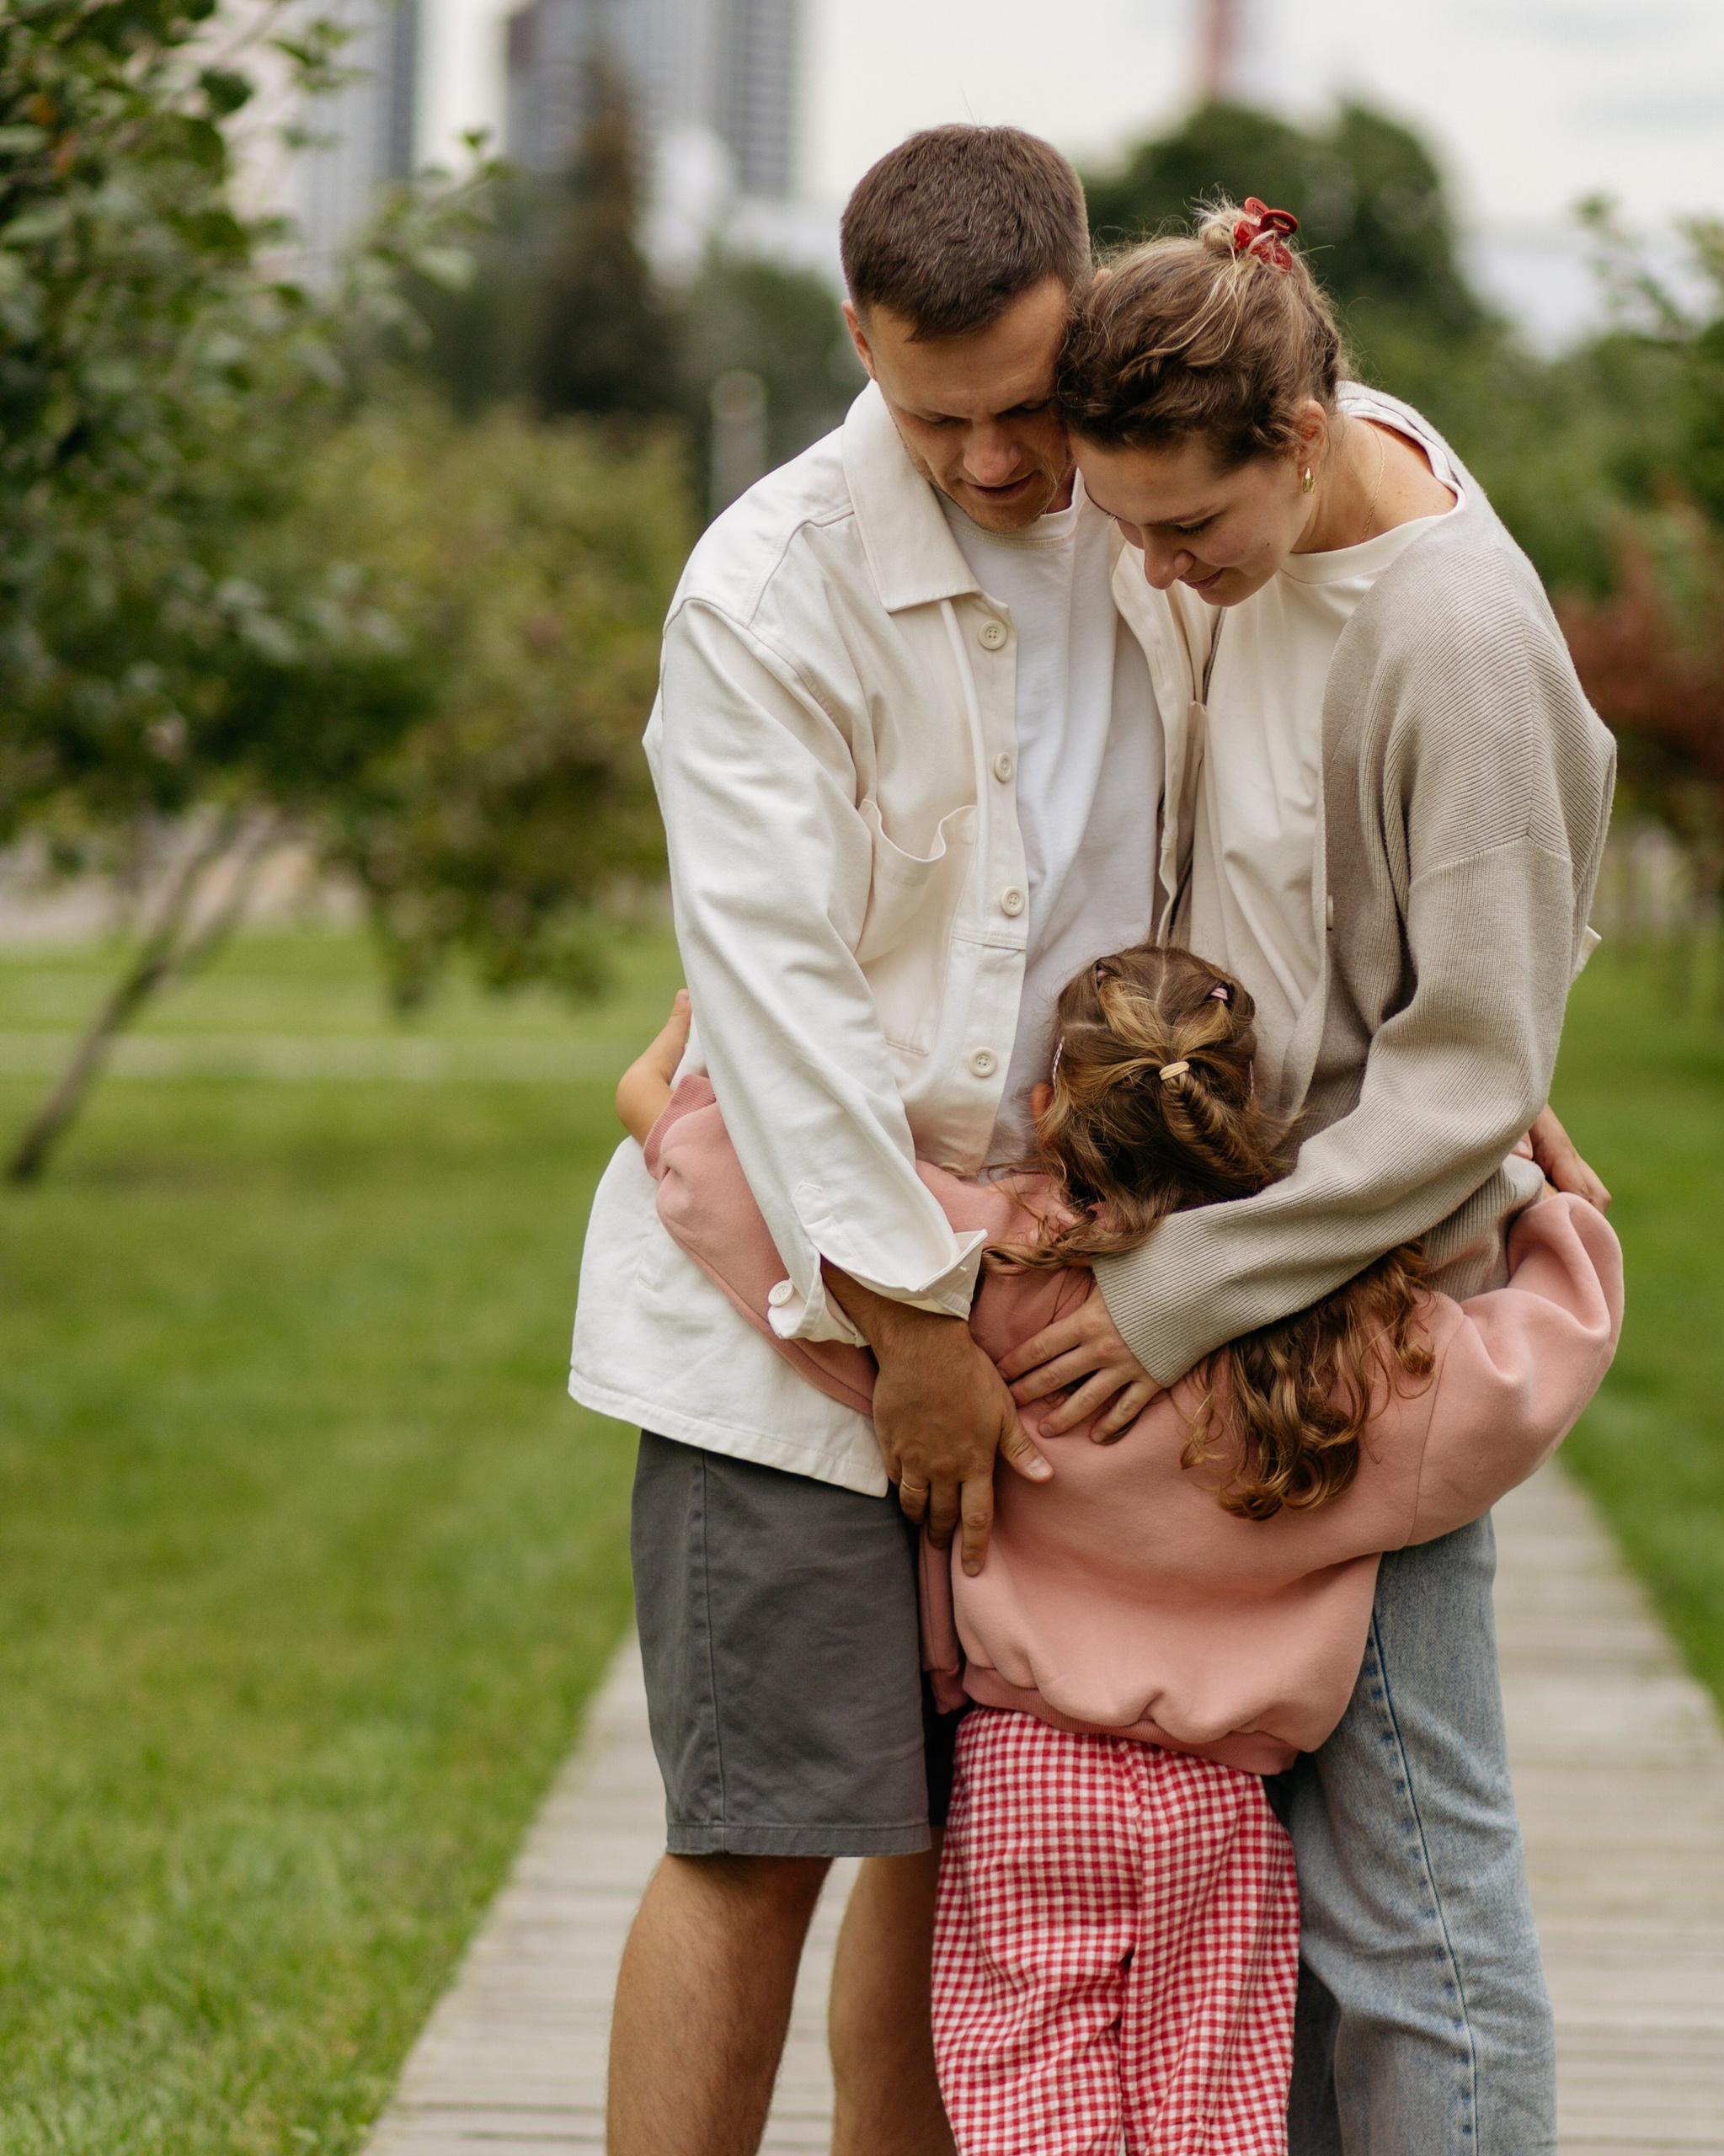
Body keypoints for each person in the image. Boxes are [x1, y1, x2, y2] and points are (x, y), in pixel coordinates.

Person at [568, 127, 1199, 2156]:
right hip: (792, 1319)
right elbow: (772, 1006)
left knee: (955, 1851)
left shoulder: (1161, 516)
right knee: (762, 1833)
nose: (1001, 462)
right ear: (853, 337)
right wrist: (911, 1330)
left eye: (1028, 406)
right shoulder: (763, 589)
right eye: (945, 418)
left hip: (1062, 1310)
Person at [613, 945, 1622, 2156]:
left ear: (1050, 1105)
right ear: (1251, 1118)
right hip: (1222, 1809)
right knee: (1207, 2123)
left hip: (1027, 1789)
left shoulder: (994, 1280)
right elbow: (1550, 1352)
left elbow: (751, 1200)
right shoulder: (1348, 1352)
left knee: (1031, 2108)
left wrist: (653, 1101)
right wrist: (1527, 1179)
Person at [995, 202, 1620, 2151]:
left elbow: (1463, 1084)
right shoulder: (1238, 515)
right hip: (1241, 1282)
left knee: (1410, 1902)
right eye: (1124, 528)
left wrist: (1170, 1296)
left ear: (1302, 431)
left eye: (1187, 531)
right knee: (1247, 1879)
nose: (1154, 572)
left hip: (1364, 1320)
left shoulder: (1448, 640)